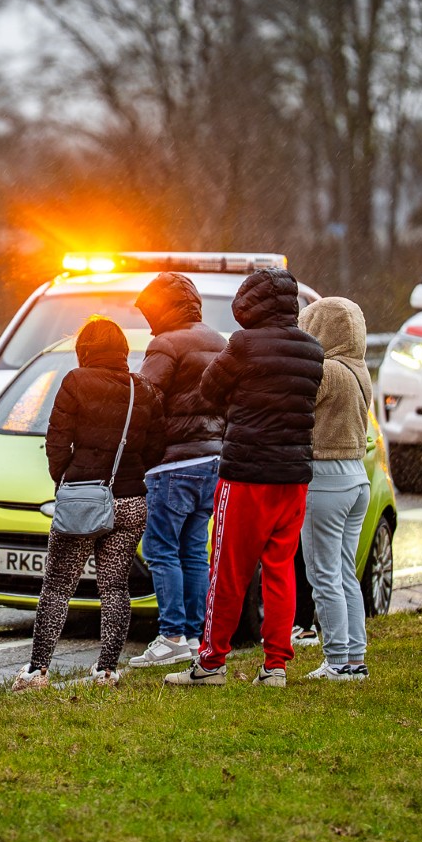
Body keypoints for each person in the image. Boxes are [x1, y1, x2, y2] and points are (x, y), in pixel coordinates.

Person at [166, 268, 322, 689]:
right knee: (280, 571)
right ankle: (276, 666)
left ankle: (211, 662)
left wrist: (239, 405)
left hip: (247, 474)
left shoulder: (243, 344)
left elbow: (208, 390)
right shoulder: (312, 350)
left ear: (251, 303)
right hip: (293, 477)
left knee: (228, 572)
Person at [13, 317, 164, 690]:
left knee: (57, 586)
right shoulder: (142, 388)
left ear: (84, 349)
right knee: (114, 587)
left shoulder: (75, 381)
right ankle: (107, 670)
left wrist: (67, 479)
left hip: (82, 498)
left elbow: (56, 440)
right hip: (130, 501)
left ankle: (37, 671)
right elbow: (156, 447)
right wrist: (129, 473)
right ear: (122, 350)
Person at [127, 272, 224, 668]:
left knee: (161, 549)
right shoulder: (218, 341)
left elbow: (143, 399)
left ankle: (170, 637)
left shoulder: (165, 344)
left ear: (162, 308)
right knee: (194, 551)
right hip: (212, 460)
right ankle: (195, 636)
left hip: (173, 463)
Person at [297, 297, 373, 681]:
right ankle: (355, 658)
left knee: (323, 574)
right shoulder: (360, 370)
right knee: (345, 573)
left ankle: (337, 660)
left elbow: (295, 407)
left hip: (325, 478)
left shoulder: (326, 371)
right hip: (357, 477)